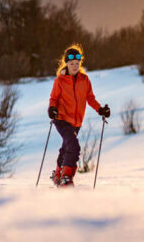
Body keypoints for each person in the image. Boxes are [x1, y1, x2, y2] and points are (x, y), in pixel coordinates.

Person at [47, 45, 110, 187]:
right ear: (66, 63)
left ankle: (58, 174)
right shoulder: (60, 81)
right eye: (71, 64)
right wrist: (52, 109)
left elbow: (90, 98)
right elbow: (53, 99)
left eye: (77, 63)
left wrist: (100, 110)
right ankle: (66, 178)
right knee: (74, 146)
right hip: (62, 119)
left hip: (76, 122)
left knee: (66, 148)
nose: (74, 66)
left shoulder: (84, 80)